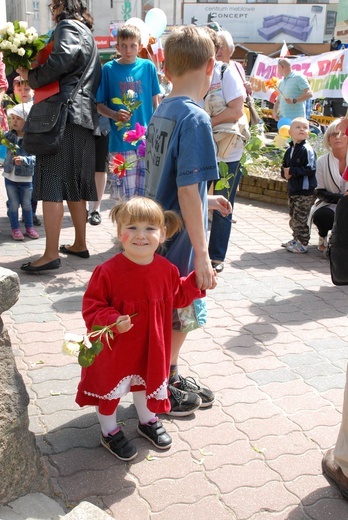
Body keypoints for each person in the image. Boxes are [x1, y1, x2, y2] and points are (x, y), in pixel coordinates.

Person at [75, 196, 208, 461]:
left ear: (163, 233)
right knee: (112, 390)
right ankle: (109, 430)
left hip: (150, 345)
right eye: (132, 227)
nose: (141, 235)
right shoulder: (107, 271)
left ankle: (147, 420)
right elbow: (92, 305)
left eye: (150, 228)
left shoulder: (166, 269)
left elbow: (179, 296)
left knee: (144, 383)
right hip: (116, 349)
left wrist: (198, 279)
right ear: (119, 232)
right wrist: (112, 318)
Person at [145, 25, 232, 416]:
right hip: (180, 238)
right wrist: (201, 253)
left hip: (158, 228)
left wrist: (205, 198)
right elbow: (184, 189)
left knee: (171, 308)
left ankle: (170, 373)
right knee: (181, 308)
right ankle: (163, 380)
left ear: (165, 66)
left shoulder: (163, 108)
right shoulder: (195, 118)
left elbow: (174, 177)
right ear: (211, 65)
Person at [17, 0, 101, 273]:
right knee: (75, 184)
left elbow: (61, 58)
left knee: (52, 182)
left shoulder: (67, 26)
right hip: (82, 118)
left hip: (63, 117)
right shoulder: (87, 32)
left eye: (53, 5)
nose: (51, 11)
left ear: (64, 5)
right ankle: (79, 243)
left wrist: (33, 75)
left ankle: (51, 253)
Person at [97, 25, 160, 204]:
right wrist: (114, 114)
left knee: (146, 197)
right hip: (119, 143)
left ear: (139, 46)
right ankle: (123, 232)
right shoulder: (108, 69)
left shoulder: (148, 67)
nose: (128, 50)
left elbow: (156, 102)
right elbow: (99, 105)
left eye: (133, 45)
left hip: (146, 141)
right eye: (123, 45)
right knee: (123, 197)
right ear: (117, 47)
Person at [203, 27, 246, 273]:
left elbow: (236, 110)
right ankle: (196, 253)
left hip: (226, 151)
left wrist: (206, 122)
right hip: (201, 148)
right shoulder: (193, 73)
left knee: (222, 204)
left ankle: (216, 258)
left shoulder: (225, 73)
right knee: (196, 199)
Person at [308, 119, 348, 253]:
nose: (338, 137)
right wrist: (341, 198)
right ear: (328, 139)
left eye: (342, 133)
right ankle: (323, 236)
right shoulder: (322, 161)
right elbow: (319, 191)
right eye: (333, 134)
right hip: (329, 203)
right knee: (322, 215)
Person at [3, 103, 39, 241]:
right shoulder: (9, 136)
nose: (14, 121)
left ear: (27, 121)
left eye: (18, 118)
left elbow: (37, 158)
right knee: (13, 204)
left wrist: (24, 160)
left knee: (26, 204)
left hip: (26, 178)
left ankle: (29, 227)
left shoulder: (31, 139)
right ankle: (15, 228)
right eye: (13, 118)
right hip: (10, 177)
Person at [281, 117, 317, 253]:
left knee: (300, 217)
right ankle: (296, 238)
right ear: (290, 132)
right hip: (293, 189)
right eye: (298, 127)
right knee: (293, 216)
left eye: (305, 127)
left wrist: (293, 171)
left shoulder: (307, 150)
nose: (302, 129)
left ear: (308, 132)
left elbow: (311, 169)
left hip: (304, 190)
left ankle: (303, 242)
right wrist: (285, 174)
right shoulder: (289, 150)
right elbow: (284, 167)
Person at [273, 58, 312, 123]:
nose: (277, 70)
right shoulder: (282, 82)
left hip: (296, 121)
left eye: (277, 67)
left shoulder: (298, 77)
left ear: (281, 67)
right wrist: (275, 112)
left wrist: (294, 100)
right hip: (283, 120)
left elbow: (309, 93)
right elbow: (278, 101)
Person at [88, 115, 110, 226]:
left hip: (103, 124)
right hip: (80, 120)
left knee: (101, 167)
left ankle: (96, 209)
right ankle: (83, 207)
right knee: (81, 167)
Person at [216, 30, 252, 97]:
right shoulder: (211, 68)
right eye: (216, 47)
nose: (218, 51)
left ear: (231, 49)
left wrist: (247, 88)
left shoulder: (237, 66)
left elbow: (242, 91)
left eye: (221, 47)